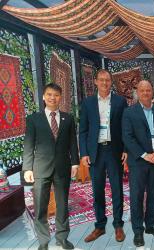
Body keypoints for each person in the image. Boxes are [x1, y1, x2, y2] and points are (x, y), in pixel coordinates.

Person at [23, 83, 79, 250]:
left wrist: (75, 162)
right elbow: (28, 144)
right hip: (40, 169)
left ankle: (62, 238)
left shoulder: (68, 118)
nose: (52, 98)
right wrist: (27, 168)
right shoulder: (34, 119)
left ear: (60, 97)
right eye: (49, 94)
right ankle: (43, 241)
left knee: (62, 205)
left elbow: (72, 143)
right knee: (41, 207)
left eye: (56, 95)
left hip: (62, 167)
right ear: (44, 97)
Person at [79, 69, 128, 243]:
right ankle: (99, 226)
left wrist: (126, 149)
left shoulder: (120, 101)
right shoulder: (88, 103)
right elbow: (83, 130)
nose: (105, 83)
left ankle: (118, 225)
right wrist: (84, 153)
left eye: (107, 80)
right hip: (96, 152)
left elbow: (125, 127)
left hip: (114, 150)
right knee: (97, 189)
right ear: (95, 82)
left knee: (117, 189)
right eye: (101, 80)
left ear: (111, 82)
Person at [122, 80, 154, 247]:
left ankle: (151, 225)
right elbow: (127, 137)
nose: (145, 93)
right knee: (136, 196)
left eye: (148, 90)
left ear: (152, 92)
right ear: (137, 92)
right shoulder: (129, 112)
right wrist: (143, 155)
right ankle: (138, 230)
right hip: (138, 161)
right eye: (142, 90)